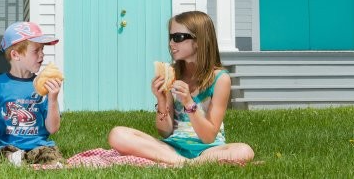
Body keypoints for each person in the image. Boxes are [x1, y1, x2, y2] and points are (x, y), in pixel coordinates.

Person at [108, 10, 254, 165]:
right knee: (117, 134)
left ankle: (182, 162)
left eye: (178, 37)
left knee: (244, 150)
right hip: (173, 147)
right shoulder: (172, 73)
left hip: (209, 149)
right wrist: (161, 101)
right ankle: (186, 162)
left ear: (199, 41)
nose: (171, 43)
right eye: (171, 37)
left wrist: (189, 103)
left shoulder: (220, 79)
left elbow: (209, 136)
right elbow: (165, 132)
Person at [0, 21, 63, 165]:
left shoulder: (43, 85)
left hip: (39, 147)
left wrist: (53, 99)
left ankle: (24, 161)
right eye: (36, 51)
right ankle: (18, 160)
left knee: (52, 157)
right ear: (16, 54)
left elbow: (53, 128)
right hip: (9, 148)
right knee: (3, 156)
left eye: (42, 49)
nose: (42, 55)